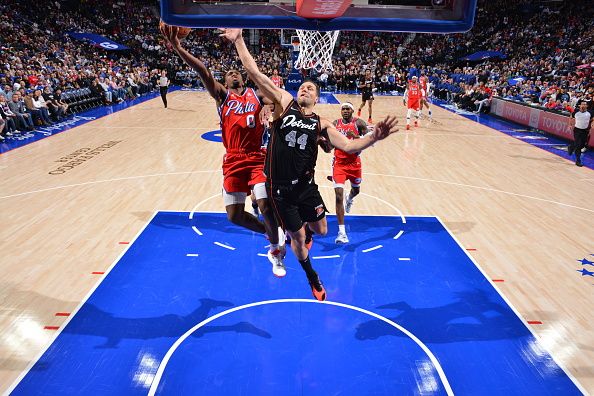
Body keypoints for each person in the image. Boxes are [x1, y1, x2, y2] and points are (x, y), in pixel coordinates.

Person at [222, 28, 399, 301]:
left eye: (311, 88)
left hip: (305, 187)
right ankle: (312, 276)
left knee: (321, 230)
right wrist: (239, 40)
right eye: (303, 86)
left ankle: (303, 234)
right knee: (299, 241)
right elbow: (255, 73)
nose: (305, 88)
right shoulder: (285, 102)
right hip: (280, 190)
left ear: (317, 98)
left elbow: (350, 146)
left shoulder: (321, 123)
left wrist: (374, 136)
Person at [161, 24, 286, 276]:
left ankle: (275, 252)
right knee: (234, 216)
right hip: (233, 160)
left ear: (241, 78)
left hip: (256, 157)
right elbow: (203, 70)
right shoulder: (222, 97)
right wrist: (178, 47)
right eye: (228, 73)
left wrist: (270, 109)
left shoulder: (255, 94)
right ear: (225, 82)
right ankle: (269, 231)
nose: (232, 73)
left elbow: (276, 97)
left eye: (235, 71)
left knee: (264, 203)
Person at [330, 102, 368, 244]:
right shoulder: (335, 124)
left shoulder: (359, 123)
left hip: (354, 163)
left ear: (352, 111)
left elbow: (370, 142)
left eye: (347, 109)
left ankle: (350, 198)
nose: (345, 111)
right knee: (338, 196)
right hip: (339, 163)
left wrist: (357, 137)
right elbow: (329, 140)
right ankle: (341, 232)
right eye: (343, 109)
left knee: (356, 190)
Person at [568, 101, 592, 167]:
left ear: (587, 106)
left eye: (585, 104)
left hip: (585, 131)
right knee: (578, 146)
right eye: (582, 104)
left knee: (581, 145)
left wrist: (591, 125)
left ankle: (571, 147)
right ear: (580, 105)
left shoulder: (590, 112)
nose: (583, 105)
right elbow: (570, 117)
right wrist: (570, 124)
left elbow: (592, 119)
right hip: (577, 130)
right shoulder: (576, 112)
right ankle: (578, 161)